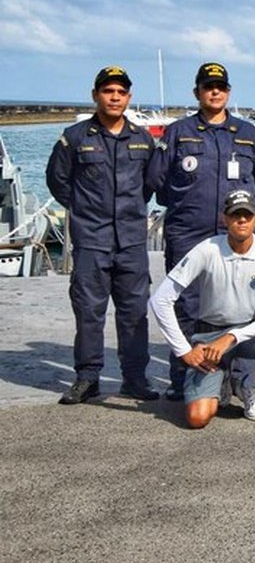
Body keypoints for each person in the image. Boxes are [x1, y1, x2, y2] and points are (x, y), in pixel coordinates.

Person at [149, 62, 255, 401]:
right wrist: (187, 203)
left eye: (219, 86)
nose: (214, 91)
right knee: (185, 305)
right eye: (207, 86)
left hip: (235, 233)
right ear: (197, 92)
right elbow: (158, 179)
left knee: (239, 302)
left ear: (228, 92)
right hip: (188, 231)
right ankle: (182, 377)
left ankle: (235, 374)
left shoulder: (247, 133)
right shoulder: (179, 132)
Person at [46, 66, 159, 403]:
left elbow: (150, 184)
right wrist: (83, 210)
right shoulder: (76, 137)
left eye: (121, 92)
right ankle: (88, 377)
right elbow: (57, 181)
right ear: (95, 95)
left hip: (131, 241)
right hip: (92, 240)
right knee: (89, 311)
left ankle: (135, 378)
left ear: (129, 97)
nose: (114, 97)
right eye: (108, 91)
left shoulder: (142, 139)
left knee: (135, 313)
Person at [149, 191, 255, 429]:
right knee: (198, 418)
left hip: (250, 332)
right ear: (224, 219)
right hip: (209, 334)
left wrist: (231, 338)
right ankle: (223, 376)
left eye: (247, 215)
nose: (242, 220)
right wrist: (184, 351)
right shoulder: (206, 249)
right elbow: (160, 300)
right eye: (235, 215)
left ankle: (248, 383)